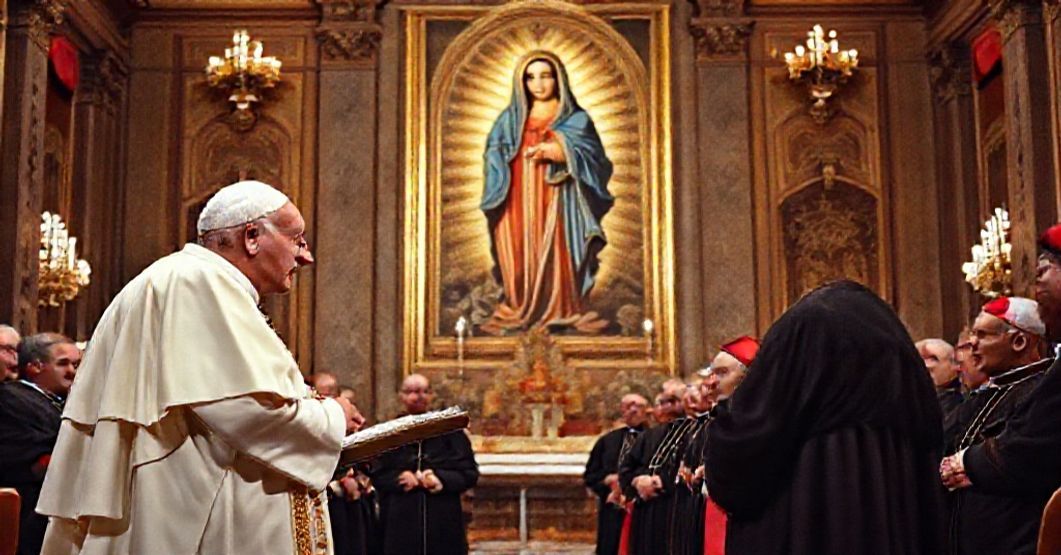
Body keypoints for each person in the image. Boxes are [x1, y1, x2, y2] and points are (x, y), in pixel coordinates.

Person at [36, 180, 361, 554]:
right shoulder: (198, 282)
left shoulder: (180, 278)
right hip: (190, 515)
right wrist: (333, 417)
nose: (305, 257)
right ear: (252, 236)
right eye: (297, 240)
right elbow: (244, 410)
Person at [705, 281, 944, 554]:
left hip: (809, 512)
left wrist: (722, 422)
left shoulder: (801, 329)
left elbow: (747, 442)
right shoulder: (892, 338)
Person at [941, 225, 1061, 553]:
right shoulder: (984, 395)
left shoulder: (1038, 386)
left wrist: (970, 464)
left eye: (983, 336)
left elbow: (1028, 453)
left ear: (1020, 341)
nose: (971, 346)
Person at [481, 50, 614, 334]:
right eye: (530, 77)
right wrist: (504, 156)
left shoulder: (576, 120)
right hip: (515, 198)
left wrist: (562, 151)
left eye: (546, 76)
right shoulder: (508, 120)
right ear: (522, 82)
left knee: (557, 253)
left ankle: (563, 308)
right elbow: (494, 152)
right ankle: (519, 307)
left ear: (559, 79)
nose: (538, 84)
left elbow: (596, 161)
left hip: (558, 200)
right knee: (515, 253)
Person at [369, 374, 479, 555]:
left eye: (423, 391)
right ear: (401, 396)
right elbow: (376, 473)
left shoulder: (450, 430)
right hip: (399, 521)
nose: (417, 396)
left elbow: (469, 473)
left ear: (431, 395)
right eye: (411, 391)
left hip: (442, 520)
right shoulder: (388, 433)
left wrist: (440, 479)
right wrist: (399, 479)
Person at [675, 336, 759, 555]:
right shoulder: (719, 421)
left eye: (722, 373)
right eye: (710, 373)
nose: (709, 383)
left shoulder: (758, 425)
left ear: (748, 378)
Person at [0, 333, 80, 555]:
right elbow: (33, 456)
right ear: (35, 367)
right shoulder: (14, 398)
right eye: (63, 364)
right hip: (29, 515)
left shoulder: (56, 400)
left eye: (76, 364)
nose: (72, 372)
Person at [619, 385, 700, 555]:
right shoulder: (649, 435)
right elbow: (627, 468)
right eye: (662, 402)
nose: (666, 407)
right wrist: (637, 481)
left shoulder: (698, 433)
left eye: (672, 401)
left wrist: (662, 482)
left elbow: (696, 468)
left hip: (678, 510)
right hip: (646, 512)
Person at [583, 393, 649, 555]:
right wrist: (606, 480)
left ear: (647, 411)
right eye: (628, 406)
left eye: (638, 406)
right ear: (622, 411)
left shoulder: (656, 437)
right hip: (613, 510)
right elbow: (591, 475)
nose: (633, 410)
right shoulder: (607, 441)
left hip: (645, 508)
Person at [916, 338, 964, 418]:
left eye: (933, 359)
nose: (926, 365)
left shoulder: (957, 408)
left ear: (955, 366)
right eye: (918, 358)